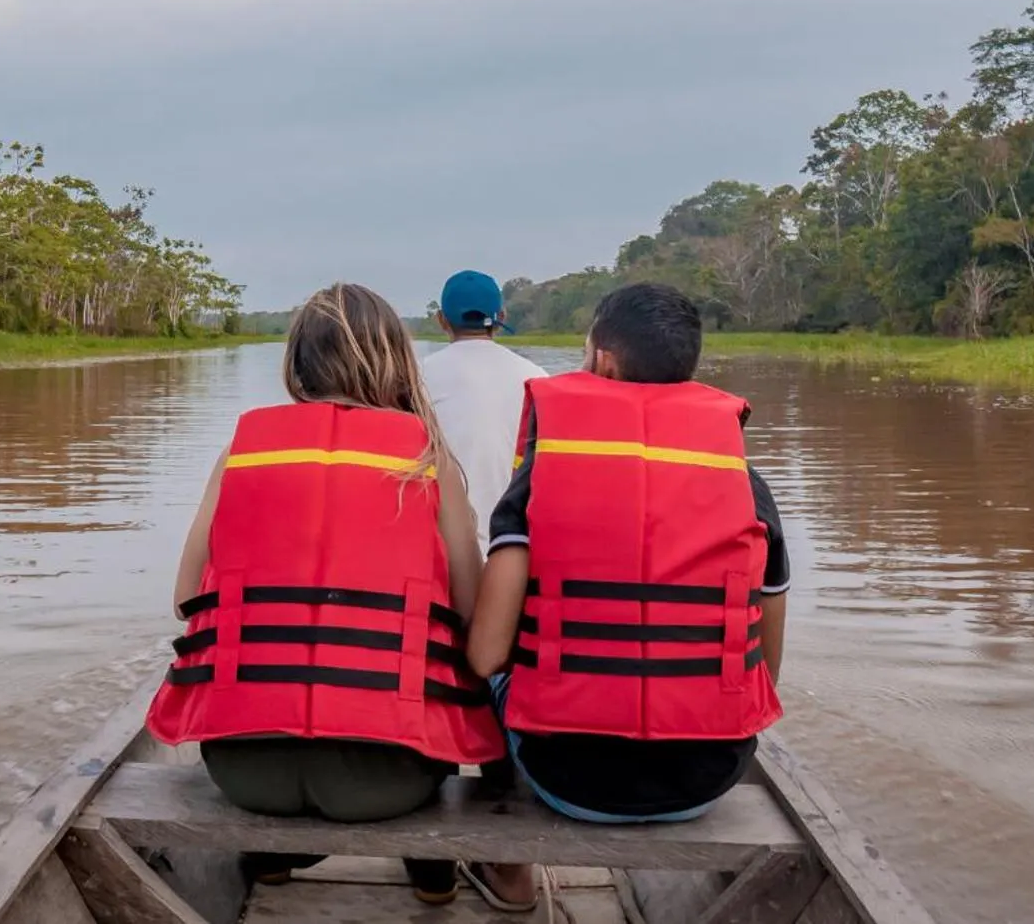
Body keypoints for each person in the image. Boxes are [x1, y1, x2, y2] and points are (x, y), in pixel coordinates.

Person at [147, 282, 504, 908]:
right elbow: (474, 619)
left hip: (242, 772)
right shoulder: (424, 458)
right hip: (389, 779)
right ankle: (432, 875)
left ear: (296, 366)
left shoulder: (244, 452)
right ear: (394, 359)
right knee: (460, 673)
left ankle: (274, 863)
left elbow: (185, 599)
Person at [461, 283, 790, 909]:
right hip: (709, 777)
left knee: (479, 670)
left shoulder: (540, 478)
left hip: (564, 776)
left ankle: (507, 867)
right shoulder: (744, 484)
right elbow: (765, 669)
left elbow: (485, 658)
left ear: (601, 363)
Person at [421, 270, 550, 545]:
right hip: (513, 545)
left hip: (442, 546)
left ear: (442, 320)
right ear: (501, 317)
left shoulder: (415, 377)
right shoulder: (538, 378)